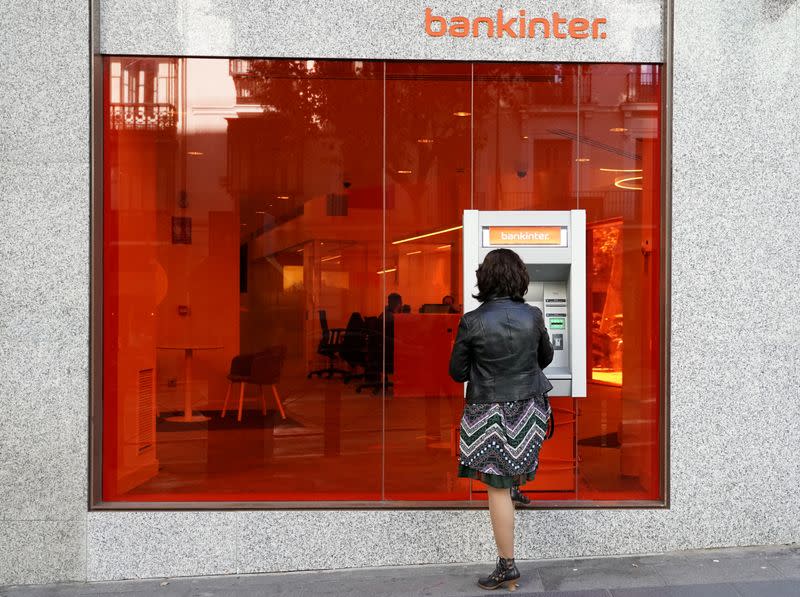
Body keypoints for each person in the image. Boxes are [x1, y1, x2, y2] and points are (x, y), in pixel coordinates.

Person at [449, 248, 554, 591]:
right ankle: (516, 486)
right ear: (519, 278)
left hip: (489, 410)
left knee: (495, 488)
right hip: (529, 407)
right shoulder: (534, 316)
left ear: (485, 278)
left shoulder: (473, 320)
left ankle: (507, 566)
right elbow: (546, 358)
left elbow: (457, 371)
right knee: (512, 464)